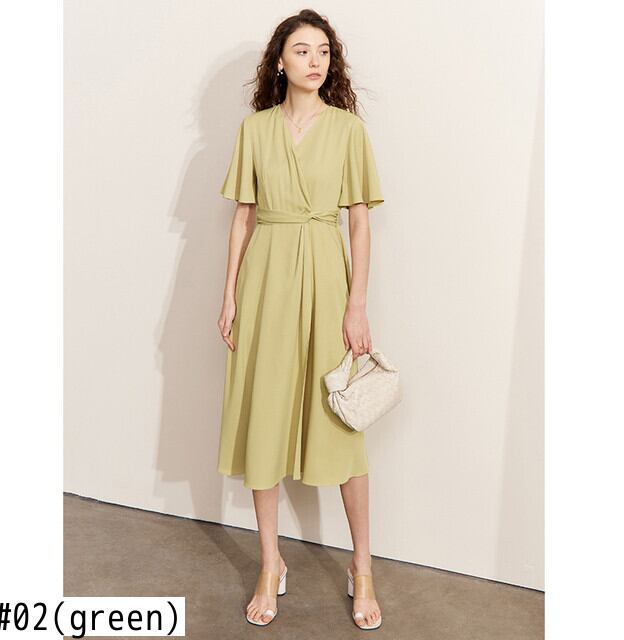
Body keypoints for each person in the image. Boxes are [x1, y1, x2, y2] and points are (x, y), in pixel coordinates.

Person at [216, 9, 385, 631]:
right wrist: (229, 295)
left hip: (327, 278)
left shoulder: (347, 131)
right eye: (302, 50)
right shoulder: (254, 130)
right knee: (264, 415)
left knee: (341, 422)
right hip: (265, 279)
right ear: (279, 62)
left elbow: (359, 222)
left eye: (324, 52)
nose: (315, 61)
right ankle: (271, 563)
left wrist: (356, 304)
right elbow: (243, 216)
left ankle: (362, 568)